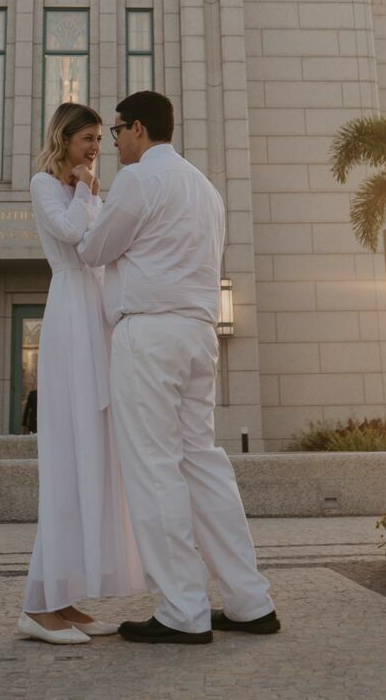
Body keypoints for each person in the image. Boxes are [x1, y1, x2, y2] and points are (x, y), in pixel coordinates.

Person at [77, 91, 279, 645]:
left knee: (154, 468)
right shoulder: (205, 188)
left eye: (117, 130)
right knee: (202, 464)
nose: (113, 141)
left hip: (149, 335)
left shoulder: (140, 180)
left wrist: (89, 201)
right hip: (198, 334)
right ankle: (249, 601)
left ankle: (183, 611)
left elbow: (93, 250)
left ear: (139, 129)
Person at [17, 102, 145, 645]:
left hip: (97, 313)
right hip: (70, 310)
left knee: (92, 458)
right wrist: (87, 189)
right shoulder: (46, 187)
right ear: (64, 138)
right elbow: (73, 236)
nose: (97, 147)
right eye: (88, 138)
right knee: (68, 458)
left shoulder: (91, 188)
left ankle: (62, 598)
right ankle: (36, 606)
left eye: (100, 138)